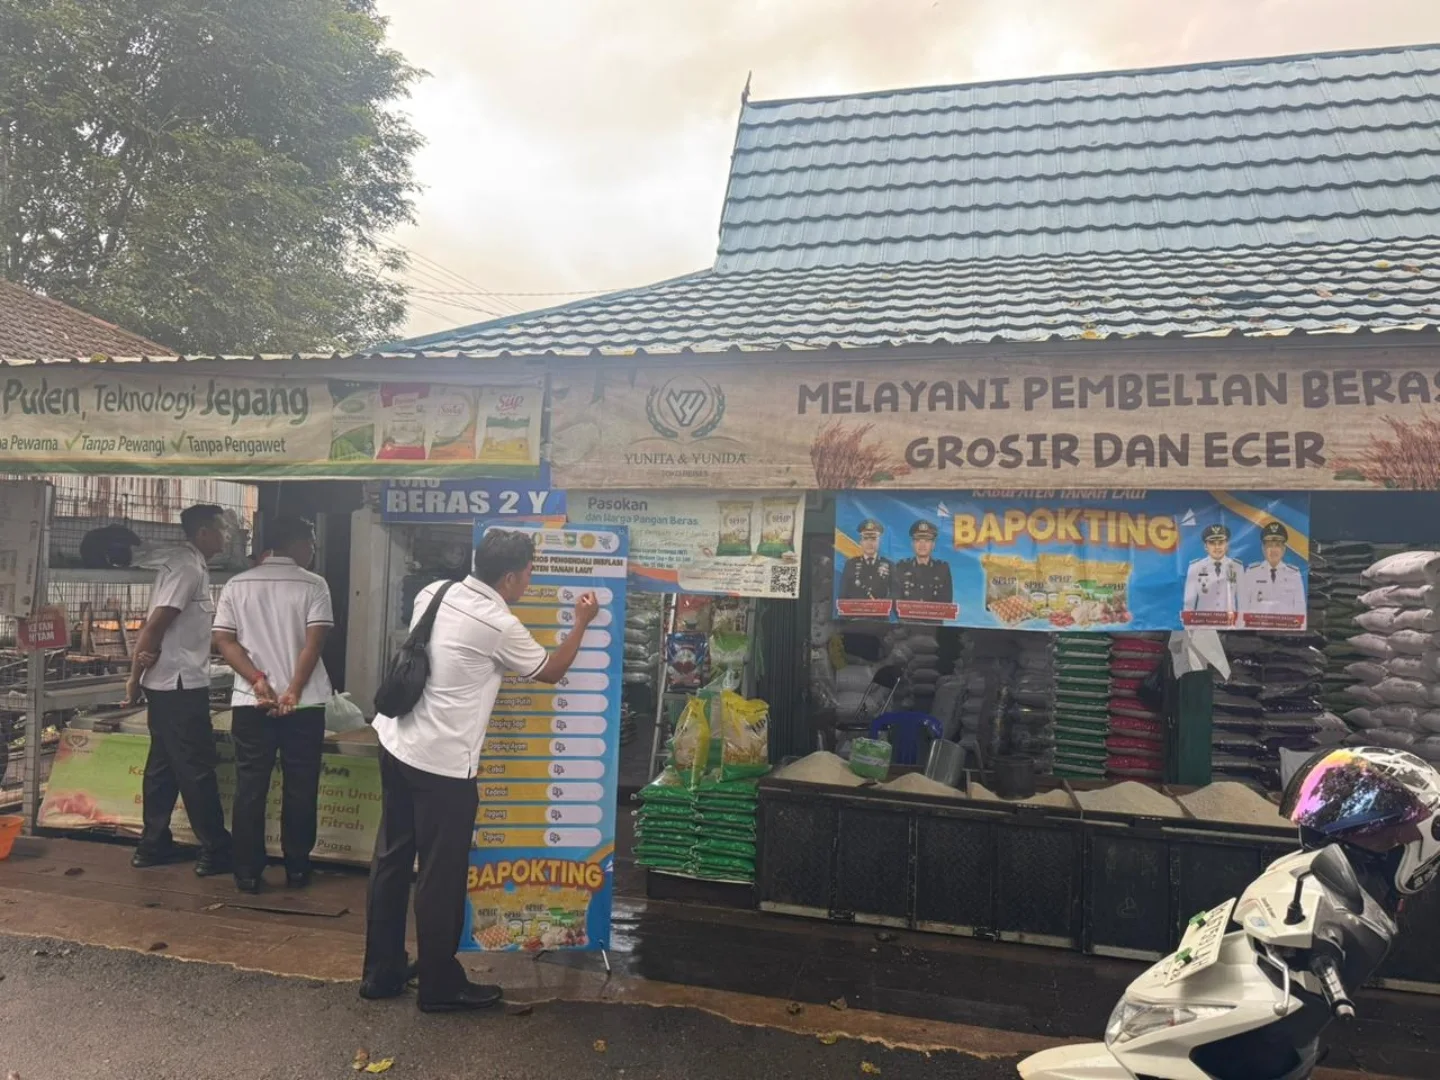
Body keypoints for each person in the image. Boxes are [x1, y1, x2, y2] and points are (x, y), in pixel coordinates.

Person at [361, 529, 599, 1013]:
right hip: (443, 766)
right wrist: (581, 623)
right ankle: (439, 987)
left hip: (396, 741)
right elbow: (551, 671)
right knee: (440, 877)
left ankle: (380, 973)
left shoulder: (435, 591)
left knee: (391, 858)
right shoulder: (498, 623)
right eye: (528, 573)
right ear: (509, 577)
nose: (530, 581)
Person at [212, 516, 334, 894]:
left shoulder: (237, 584)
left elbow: (224, 640)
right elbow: (313, 644)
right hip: (305, 704)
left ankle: (247, 871)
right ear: (296, 544)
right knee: (300, 785)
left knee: (251, 784)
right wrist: (293, 690)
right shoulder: (314, 585)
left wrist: (257, 680)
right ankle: (297, 866)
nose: (312, 550)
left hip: (252, 702)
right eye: (311, 543)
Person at [125, 504, 233, 875]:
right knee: (195, 765)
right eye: (222, 529)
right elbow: (156, 625)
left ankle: (153, 844)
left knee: (164, 765)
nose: (227, 535)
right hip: (178, 684)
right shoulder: (187, 568)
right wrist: (133, 677)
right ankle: (215, 848)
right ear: (203, 532)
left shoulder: (189, 564)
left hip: (170, 682)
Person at [1241, 521, 1307, 627]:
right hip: (1258, 629)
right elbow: (1243, 608)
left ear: (1284, 549)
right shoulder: (1252, 572)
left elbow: (1300, 610)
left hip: (1285, 631)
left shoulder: (1294, 574)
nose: (1273, 550)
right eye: (1269, 545)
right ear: (1263, 549)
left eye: (1277, 545)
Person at [1182, 522, 1243, 625]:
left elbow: (1243, 601)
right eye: (1212, 543)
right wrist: (1189, 627)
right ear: (1206, 546)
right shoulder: (1195, 567)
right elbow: (1189, 602)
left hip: (1230, 625)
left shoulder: (1237, 567)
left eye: (1221, 543)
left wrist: (1241, 625)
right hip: (1203, 624)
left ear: (1227, 545)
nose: (1217, 547)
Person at [894, 520, 953, 604]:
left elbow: (947, 603)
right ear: (912, 544)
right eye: (918, 540)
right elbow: (895, 601)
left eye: (927, 541)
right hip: (907, 613)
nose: (922, 545)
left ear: (933, 545)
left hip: (934, 613)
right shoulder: (901, 567)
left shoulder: (942, 569)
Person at [838, 518, 893, 600]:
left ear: (879, 542)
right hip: (855, 608)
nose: (869, 543)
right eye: (866, 539)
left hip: (881, 608)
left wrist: (884, 603)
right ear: (860, 542)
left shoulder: (889, 565)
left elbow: (895, 592)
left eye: (873, 539)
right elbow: (843, 594)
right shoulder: (851, 564)